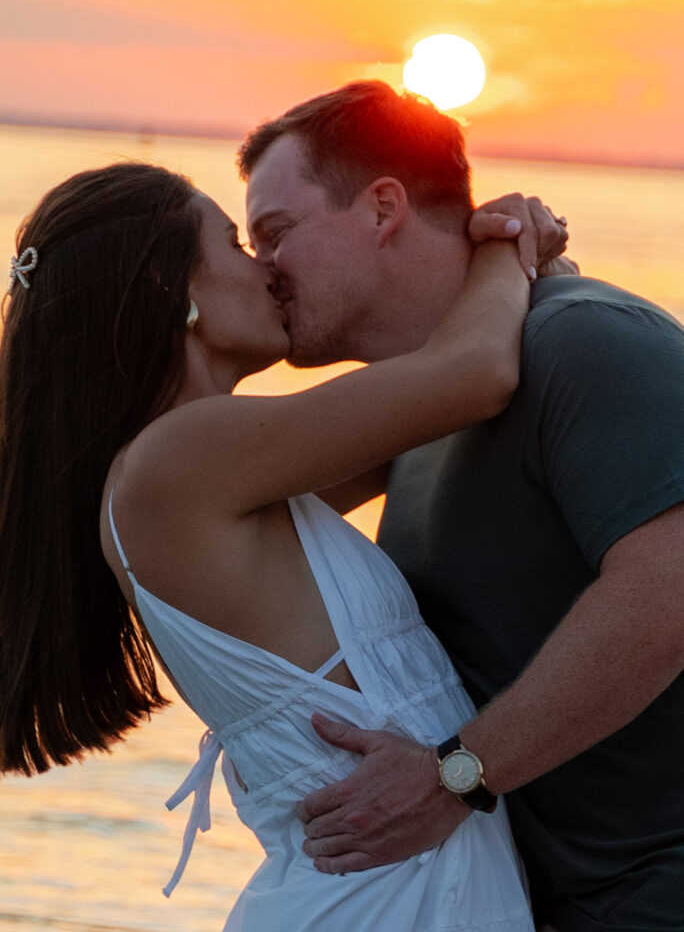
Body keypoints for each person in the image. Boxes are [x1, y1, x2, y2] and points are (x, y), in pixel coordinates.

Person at [0, 161, 566, 930]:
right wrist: (506, 242)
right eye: (233, 242)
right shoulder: (178, 461)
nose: (265, 266)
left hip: (393, 882)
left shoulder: (210, 474)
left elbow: (424, 419)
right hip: (378, 895)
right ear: (178, 292)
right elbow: (473, 375)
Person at [238, 80, 684, 932]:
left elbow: (669, 591)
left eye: (275, 233)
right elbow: (230, 513)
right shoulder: (418, 414)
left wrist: (458, 772)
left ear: (383, 207)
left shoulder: (585, 343)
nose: (266, 271)